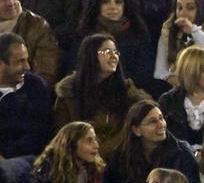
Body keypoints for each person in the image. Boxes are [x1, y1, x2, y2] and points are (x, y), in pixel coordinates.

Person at [53, 31, 151, 159]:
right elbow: (62, 134)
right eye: (107, 52)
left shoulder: (127, 91)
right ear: (90, 56)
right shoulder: (69, 92)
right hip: (80, 158)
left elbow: (142, 119)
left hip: (119, 157)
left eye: (115, 52)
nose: (114, 56)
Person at [103, 99, 200, 183]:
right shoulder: (119, 158)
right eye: (153, 122)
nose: (161, 125)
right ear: (136, 130)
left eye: (161, 118)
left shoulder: (182, 152)